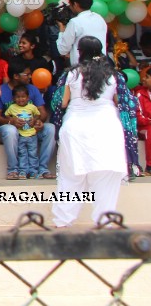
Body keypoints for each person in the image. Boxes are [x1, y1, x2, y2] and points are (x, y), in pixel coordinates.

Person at [53, 37, 127, 228]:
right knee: (106, 178)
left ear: (80, 51)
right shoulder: (112, 75)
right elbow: (121, 102)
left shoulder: (72, 74)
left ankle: (63, 221)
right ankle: (105, 221)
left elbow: (62, 103)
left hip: (76, 128)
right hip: (107, 127)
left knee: (71, 177)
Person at [0, 61, 56, 180]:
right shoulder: (2, 90)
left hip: (30, 129)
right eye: (27, 74)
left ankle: (42, 169)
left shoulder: (32, 89)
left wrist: (38, 121)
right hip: (9, 128)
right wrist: (11, 121)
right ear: (16, 76)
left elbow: (42, 112)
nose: (31, 77)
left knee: (50, 128)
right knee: (10, 131)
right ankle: (13, 170)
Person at [56, 0, 108, 66]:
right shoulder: (99, 19)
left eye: (70, 4)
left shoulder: (75, 22)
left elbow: (62, 50)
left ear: (76, 4)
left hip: (82, 70)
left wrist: (61, 32)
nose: (69, 7)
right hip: (101, 67)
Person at [4, 85, 41, 179]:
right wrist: (12, 119)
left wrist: (35, 120)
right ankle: (23, 171)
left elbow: (38, 114)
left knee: (33, 154)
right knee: (22, 153)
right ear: (13, 98)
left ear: (28, 98)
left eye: (23, 97)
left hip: (32, 134)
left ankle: (33, 171)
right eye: (18, 97)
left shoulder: (32, 107)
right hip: (20, 134)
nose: (21, 99)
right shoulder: (12, 107)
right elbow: (6, 116)